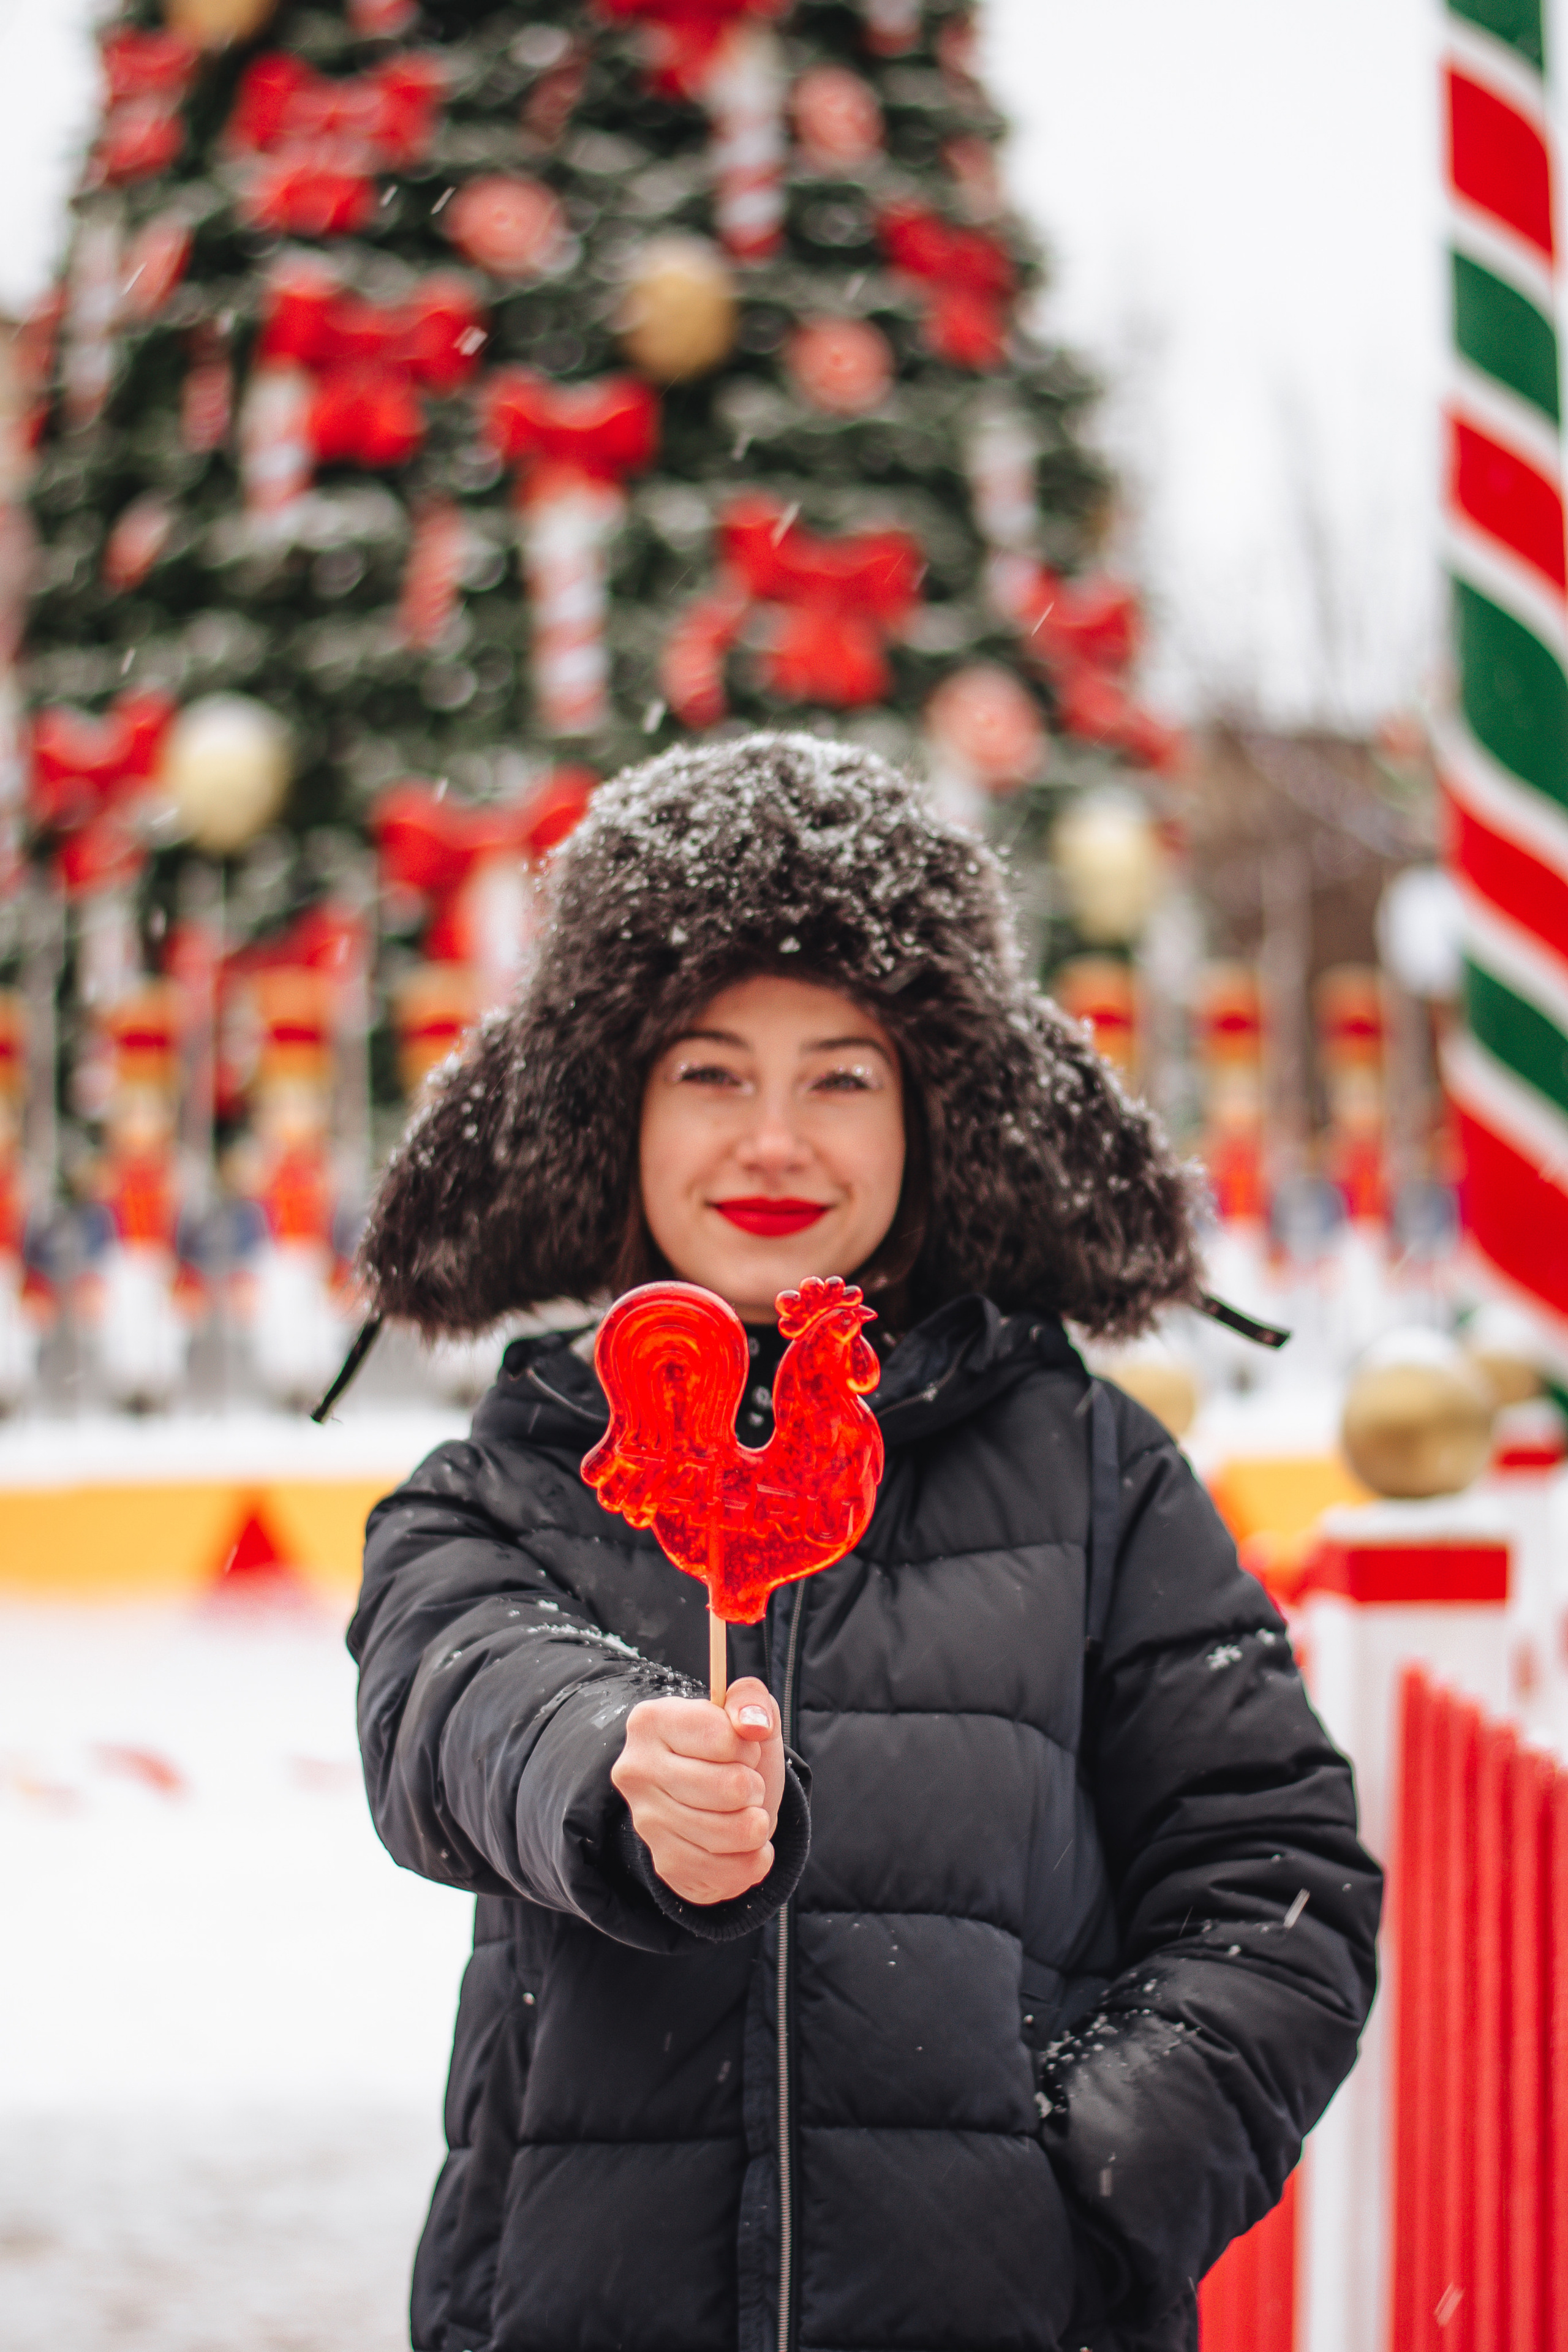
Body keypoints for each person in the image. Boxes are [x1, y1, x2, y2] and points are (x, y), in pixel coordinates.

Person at [349, 734, 1381, 2352]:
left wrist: (1100, 2178)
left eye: (840, 1076)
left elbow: (1279, 1877)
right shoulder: (510, 1485)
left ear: (932, 1120)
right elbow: (448, 1702)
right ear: (616, 1116)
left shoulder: (1094, 1475)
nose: (775, 1140)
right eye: (709, 1075)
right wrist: (616, 1774)